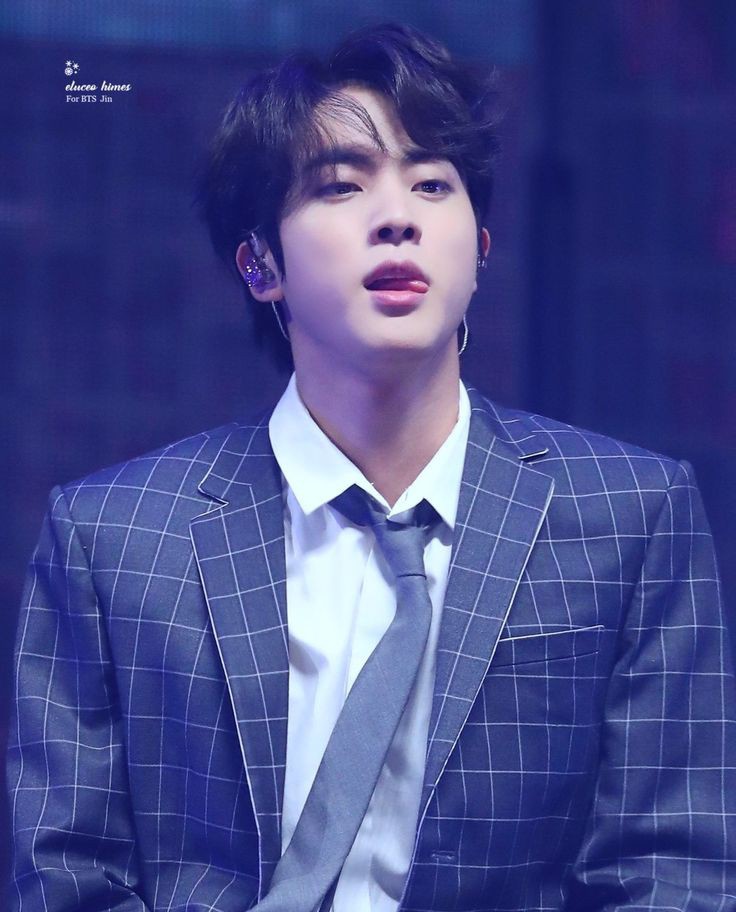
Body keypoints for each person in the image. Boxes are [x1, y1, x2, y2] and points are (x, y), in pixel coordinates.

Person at [7, 22, 736, 912]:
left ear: (481, 251)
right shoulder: (114, 540)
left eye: (432, 184)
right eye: (342, 185)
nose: (398, 217)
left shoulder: (631, 516)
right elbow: (64, 877)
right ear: (260, 264)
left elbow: (671, 871)